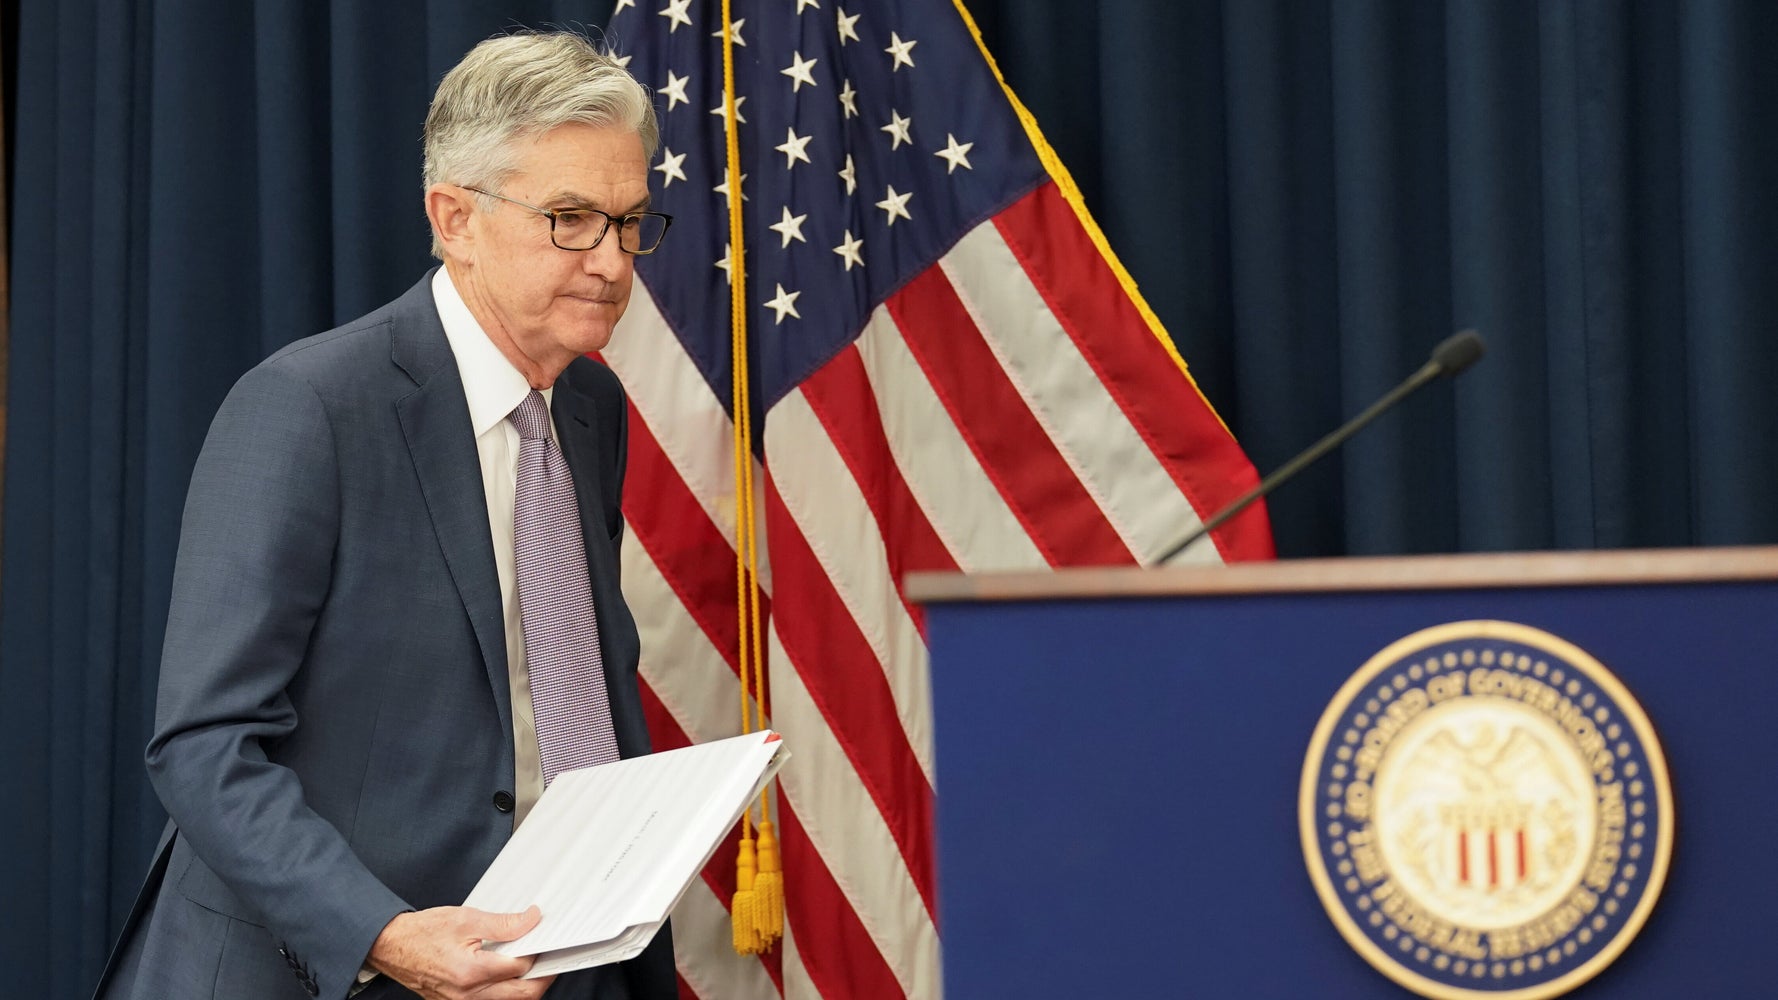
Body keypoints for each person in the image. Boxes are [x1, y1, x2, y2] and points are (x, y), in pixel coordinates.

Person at [93, 31, 677, 1000]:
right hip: (322, 971)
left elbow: (563, 686)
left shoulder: (589, 407)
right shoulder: (311, 406)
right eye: (570, 219)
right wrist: (384, 933)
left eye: (629, 222)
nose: (612, 262)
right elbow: (203, 744)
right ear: (456, 218)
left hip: (549, 958)